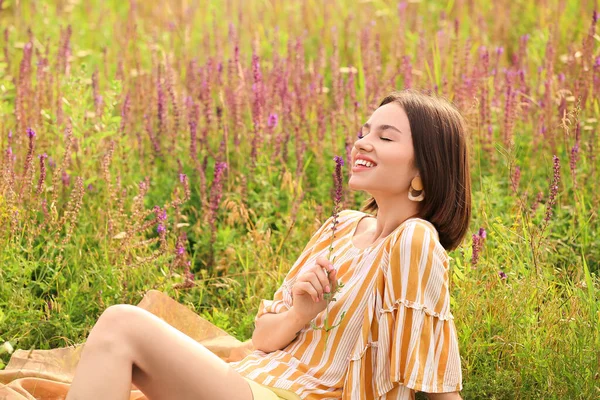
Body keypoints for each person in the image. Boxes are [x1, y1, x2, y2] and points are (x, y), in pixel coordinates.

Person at [65, 88, 470, 400]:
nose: (362, 142)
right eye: (364, 132)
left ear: (423, 169)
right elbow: (262, 337)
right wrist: (299, 313)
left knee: (122, 324)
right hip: (256, 379)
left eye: (386, 137)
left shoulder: (415, 241)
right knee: (120, 336)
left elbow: (432, 376)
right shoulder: (342, 227)